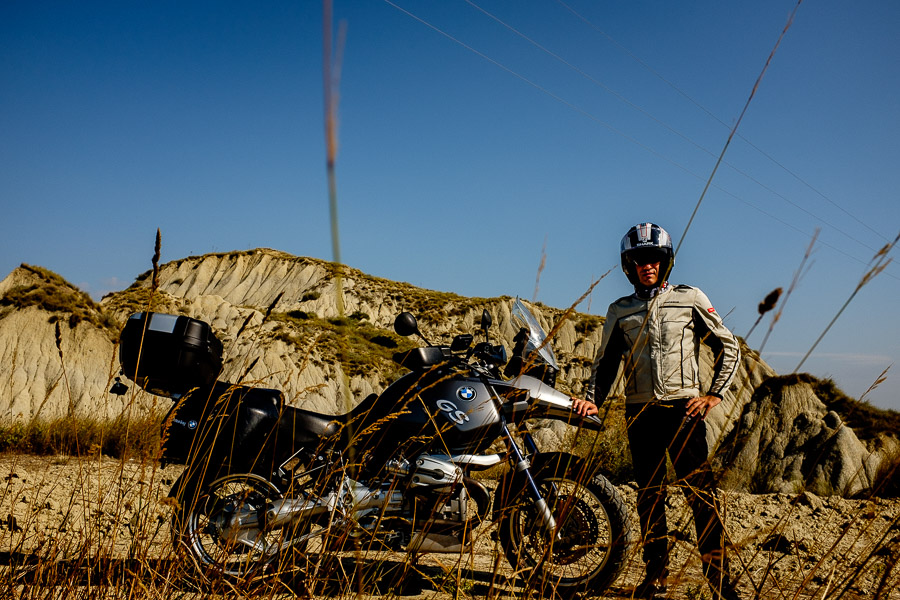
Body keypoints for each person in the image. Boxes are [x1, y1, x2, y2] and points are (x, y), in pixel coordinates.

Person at [572, 223, 742, 600]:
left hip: (685, 412)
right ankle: (656, 577)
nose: (647, 265)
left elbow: (729, 346)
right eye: (639, 260)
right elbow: (606, 364)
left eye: (655, 259)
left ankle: (720, 583)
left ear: (666, 263)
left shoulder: (691, 298)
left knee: (702, 497)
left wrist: (714, 394)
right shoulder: (620, 310)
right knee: (649, 496)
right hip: (640, 414)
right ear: (628, 265)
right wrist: (592, 399)